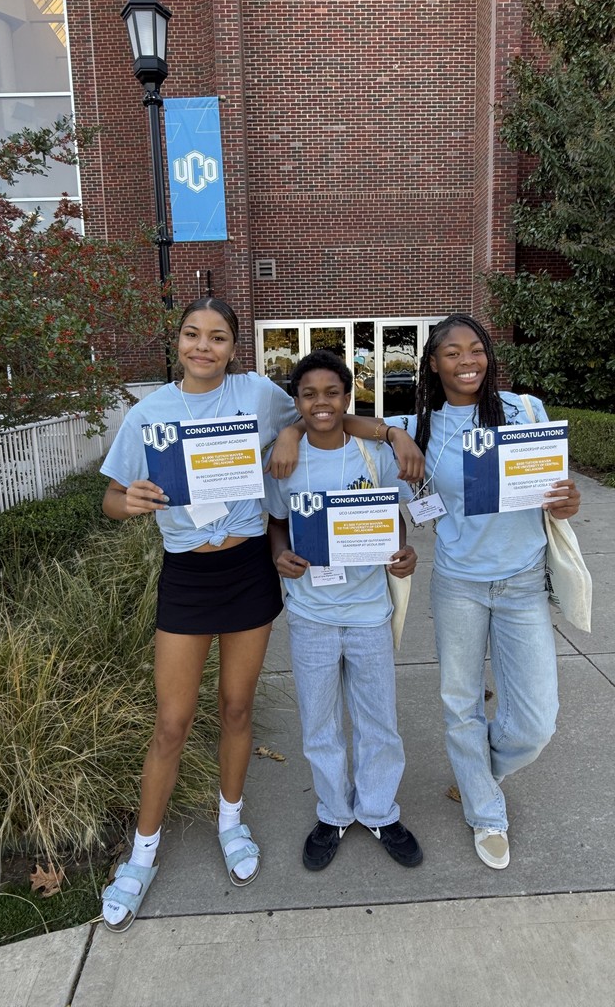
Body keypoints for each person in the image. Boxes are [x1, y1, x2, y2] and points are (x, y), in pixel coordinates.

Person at [99, 298, 422, 931]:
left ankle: (231, 820)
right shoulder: (150, 412)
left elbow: (325, 419)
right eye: (193, 334)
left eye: (217, 337)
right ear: (180, 340)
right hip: (189, 574)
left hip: (248, 570)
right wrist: (129, 501)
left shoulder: (258, 394)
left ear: (233, 346)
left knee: (238, 709)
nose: (203, 346)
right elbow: (111, 497)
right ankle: (141, 856)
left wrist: (385, 431)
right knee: (172, 721)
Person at [386, 313, 581, 870]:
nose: (467, 361)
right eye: (452, 352)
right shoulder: (420, 426)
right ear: (432, 363)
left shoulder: (526, 411)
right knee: (460, 701)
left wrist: (568, 501)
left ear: (489, 355)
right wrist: (393, 433)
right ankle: (485, 811)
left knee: (537, 718)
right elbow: (337, 420)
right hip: (459, 584)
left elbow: (556, 489)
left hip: (521, 580)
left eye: (476, 349)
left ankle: (479, 773)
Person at [265, 350, 423, 871]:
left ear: (348, 396)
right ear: (296, 402)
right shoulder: (285, 459)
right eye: (309, 394)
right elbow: (276, 521)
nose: (321, 403)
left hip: (368, 611)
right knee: (320, 722)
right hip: (310, 612)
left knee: (379, 718)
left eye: (332, 392)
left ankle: (378, 810)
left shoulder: (372, 454)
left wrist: (403, 552)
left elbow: (394, 515)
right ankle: (334, 812)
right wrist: (277, 555)